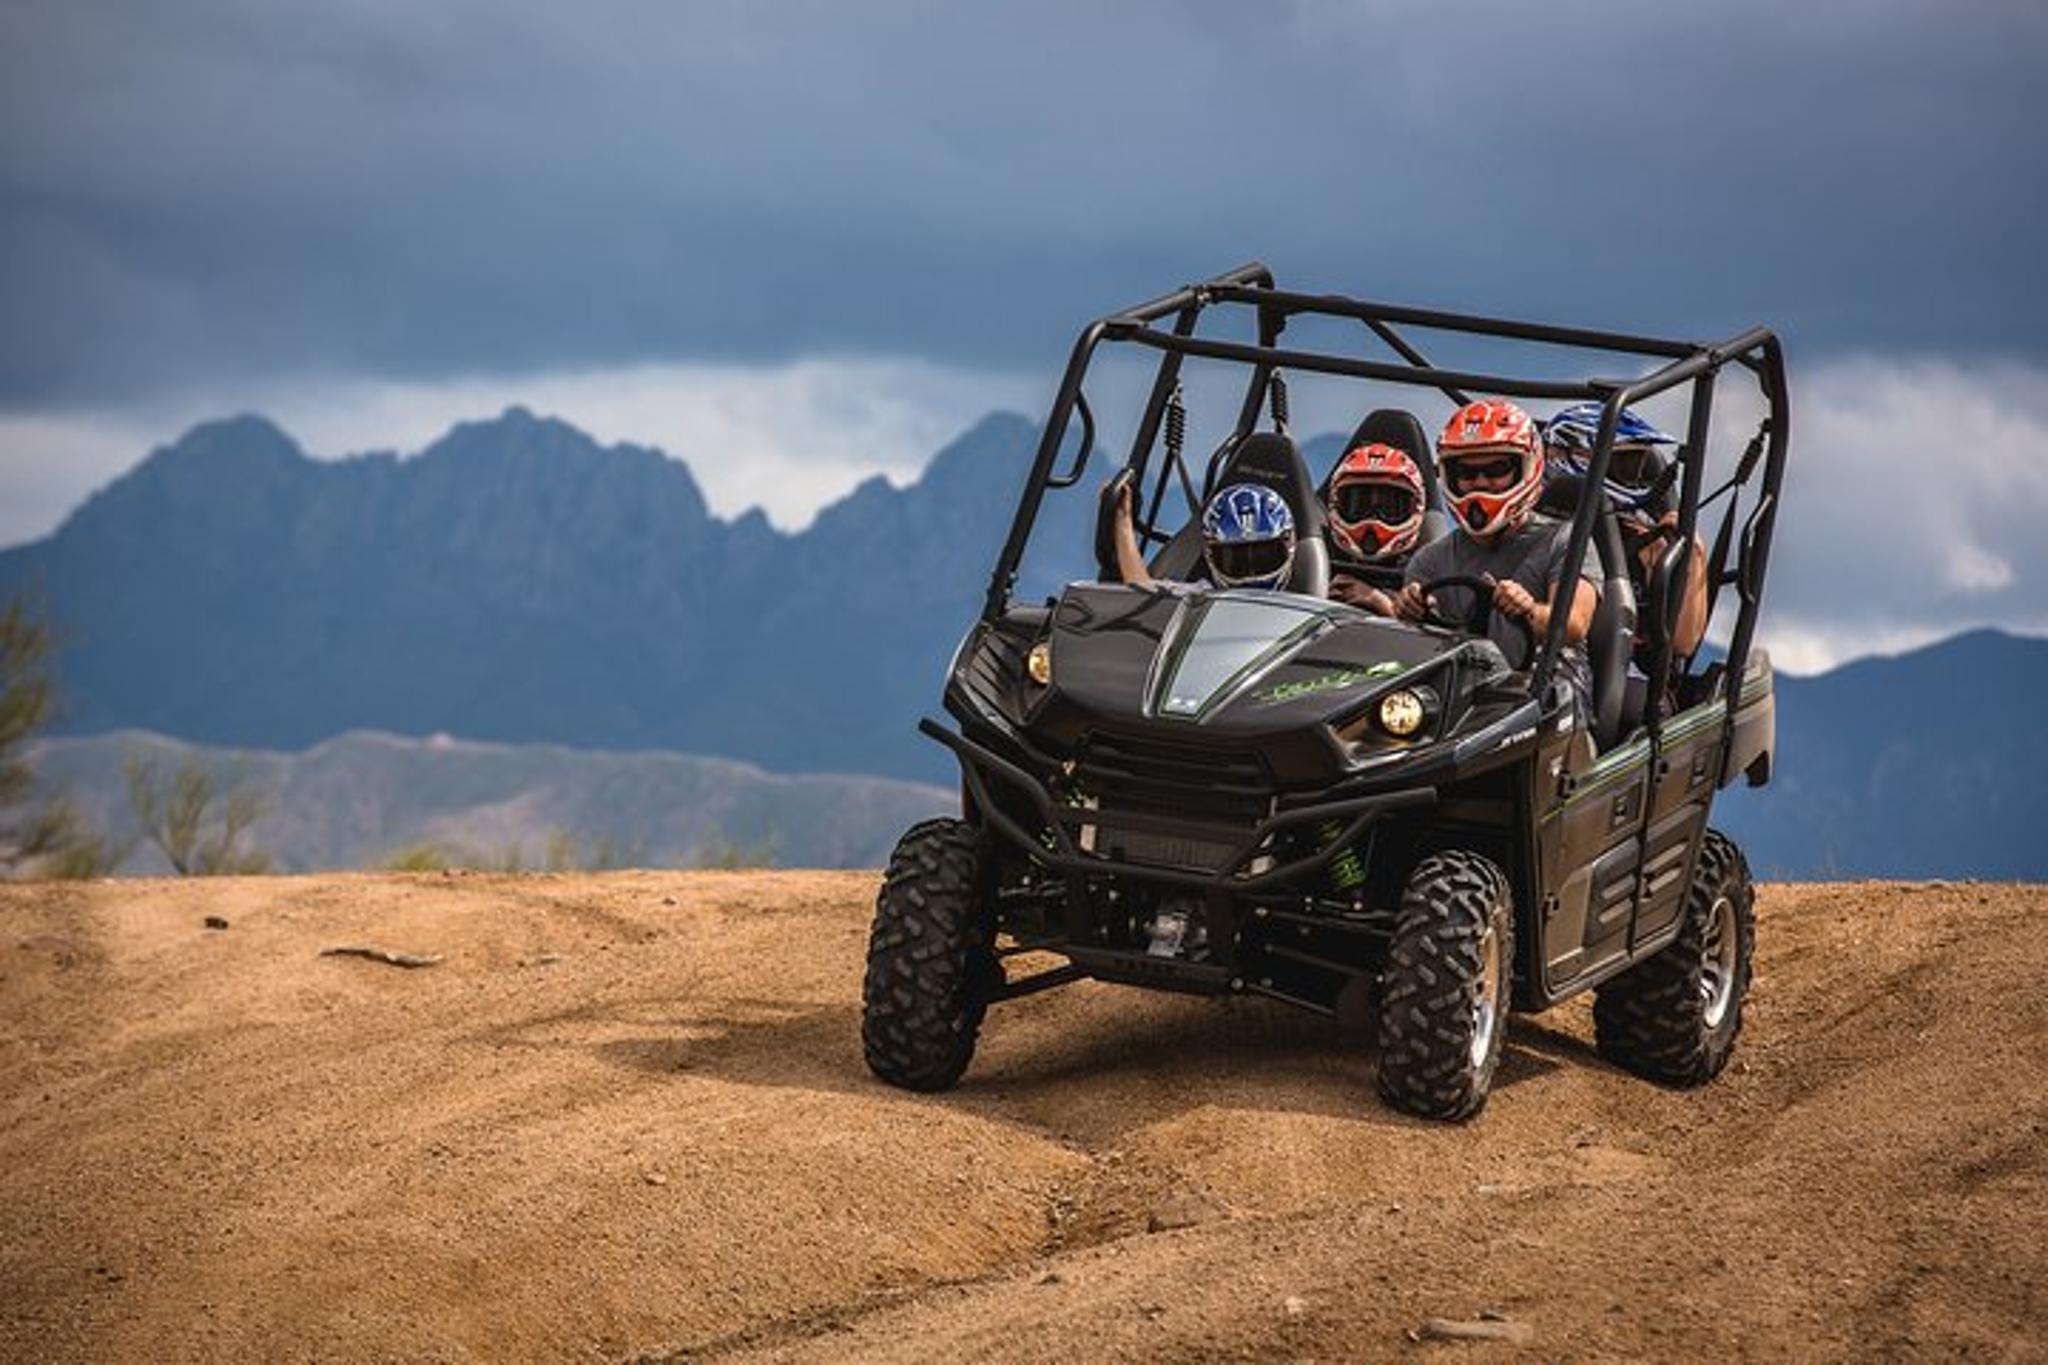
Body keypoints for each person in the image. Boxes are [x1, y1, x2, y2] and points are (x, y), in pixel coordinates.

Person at [1371, 398, 1601, 712]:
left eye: (1496, 470)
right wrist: (1408, 612)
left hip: (1552, 707)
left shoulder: (1565, 539)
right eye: (1466, 472)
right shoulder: (1428, 560)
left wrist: (1529, 610)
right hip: (1458, 705)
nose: (1480, 483)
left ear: (1527, 467)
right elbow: (1414, 655)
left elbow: (1574, 624)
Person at [1543, 402, 1709, 658]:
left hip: (1624, 673)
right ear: (1575, 457)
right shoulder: (1533, 529)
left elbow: (1682, 643)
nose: (1634, 476)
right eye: (1624, 463)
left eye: (1638, 463)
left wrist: (1693, 555)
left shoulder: (1650, 540)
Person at [1112, 479, 1297, 592]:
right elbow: (1141, 591)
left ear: (1289, 547)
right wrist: (1123, 522)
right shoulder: (1196, 601)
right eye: (1236, 561)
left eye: (1263, 557)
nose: (1251, 575)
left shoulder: (1311, 614)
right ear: (1210, 556)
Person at [1324, 442, 1427, 613]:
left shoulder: (1427, 571)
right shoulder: (1315, 559)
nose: (1372, 520)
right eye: (1358, 505)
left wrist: (1381, 604)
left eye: (1388, 508)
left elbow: (1440, 636)